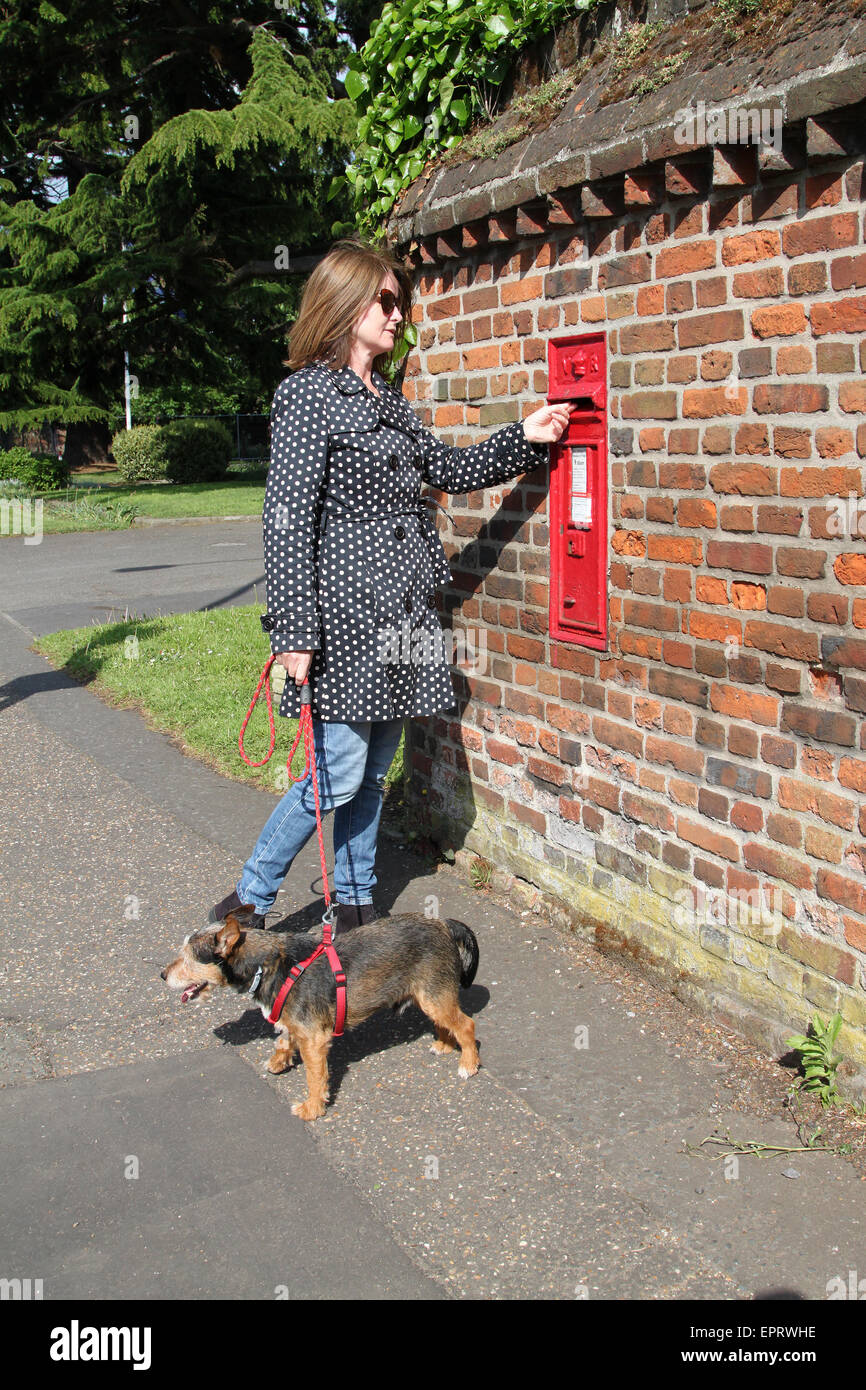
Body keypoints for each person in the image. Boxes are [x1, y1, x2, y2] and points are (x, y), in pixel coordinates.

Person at [210, 236, 575, 936]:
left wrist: (523, 436)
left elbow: (448, 469)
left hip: (405, 612)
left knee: (374, 771)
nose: (397, 313)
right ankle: (250, 897)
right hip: (346, 615)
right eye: (385, 300)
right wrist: (292, 635)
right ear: (345, 303)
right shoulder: (309, 394)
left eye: (401, 302)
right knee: (335, 776)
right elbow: (285, 520)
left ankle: (354, 900)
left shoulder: (394, 402)